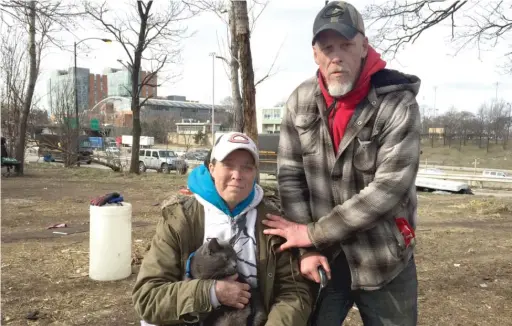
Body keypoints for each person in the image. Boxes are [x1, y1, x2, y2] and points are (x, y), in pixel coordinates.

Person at [262, 1, 421, 325]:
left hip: (383, 258)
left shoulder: (397, 103)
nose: (336, 56)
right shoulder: (299, 102)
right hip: (325, 257)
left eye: (346, 45)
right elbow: (290, 178)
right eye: (327, 47)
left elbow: (389, 189)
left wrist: (314, 233)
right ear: (315, 53)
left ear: (363, 46)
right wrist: (307, 249)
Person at [133, 131, 312, 326]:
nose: (237, 175)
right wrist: (211, 293)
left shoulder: (272, 220)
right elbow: (147, 298)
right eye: (228, 165)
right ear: (211, 168)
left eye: (247, 167)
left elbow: (293, 293)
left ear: (255, 173)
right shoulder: (180, 219)